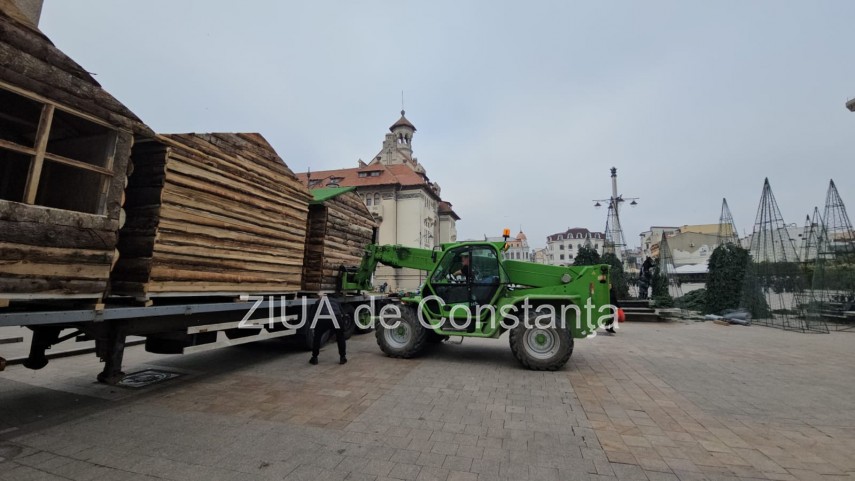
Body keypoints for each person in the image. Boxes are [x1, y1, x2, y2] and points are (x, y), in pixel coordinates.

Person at [309, 297, 347, 365]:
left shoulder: (318, 301)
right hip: (336, 318)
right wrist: (343, 327)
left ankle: (314, 358)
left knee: (317, 337)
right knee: (340, 337)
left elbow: (312, 314)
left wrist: (313, 326)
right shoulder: (336, 300)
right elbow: (343, 313)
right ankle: (342, 357)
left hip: (323, 319)